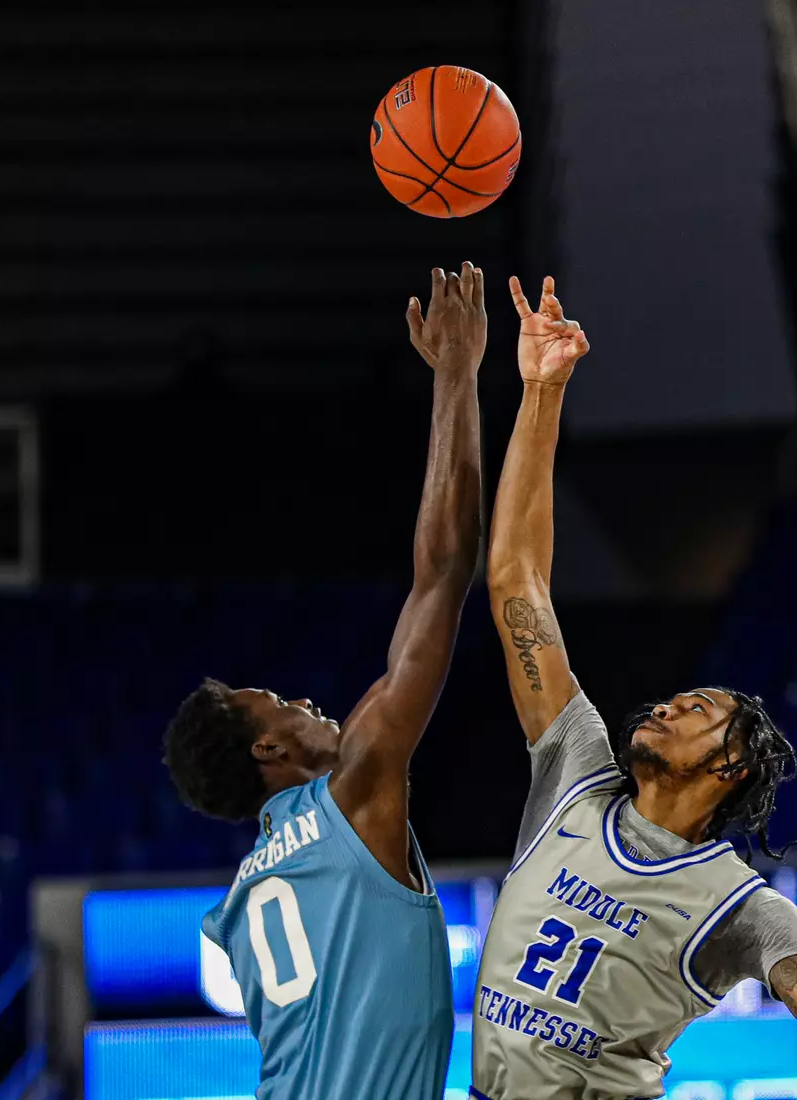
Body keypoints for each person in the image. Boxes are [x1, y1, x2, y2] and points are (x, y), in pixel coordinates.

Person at [471, 275, 797, 1099]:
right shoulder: (573, 772)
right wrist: (541, 390)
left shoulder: (744, 907)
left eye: (699, 711)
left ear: (730, 768)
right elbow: (514, 581)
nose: (670, 705)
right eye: (678, 700)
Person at [162, 263, 488, 1100]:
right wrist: (456, 373)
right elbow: (443, 571)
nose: (304, 699)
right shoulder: (354, 791)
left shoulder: (241, 897)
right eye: (279, 701)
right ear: (266, 744)